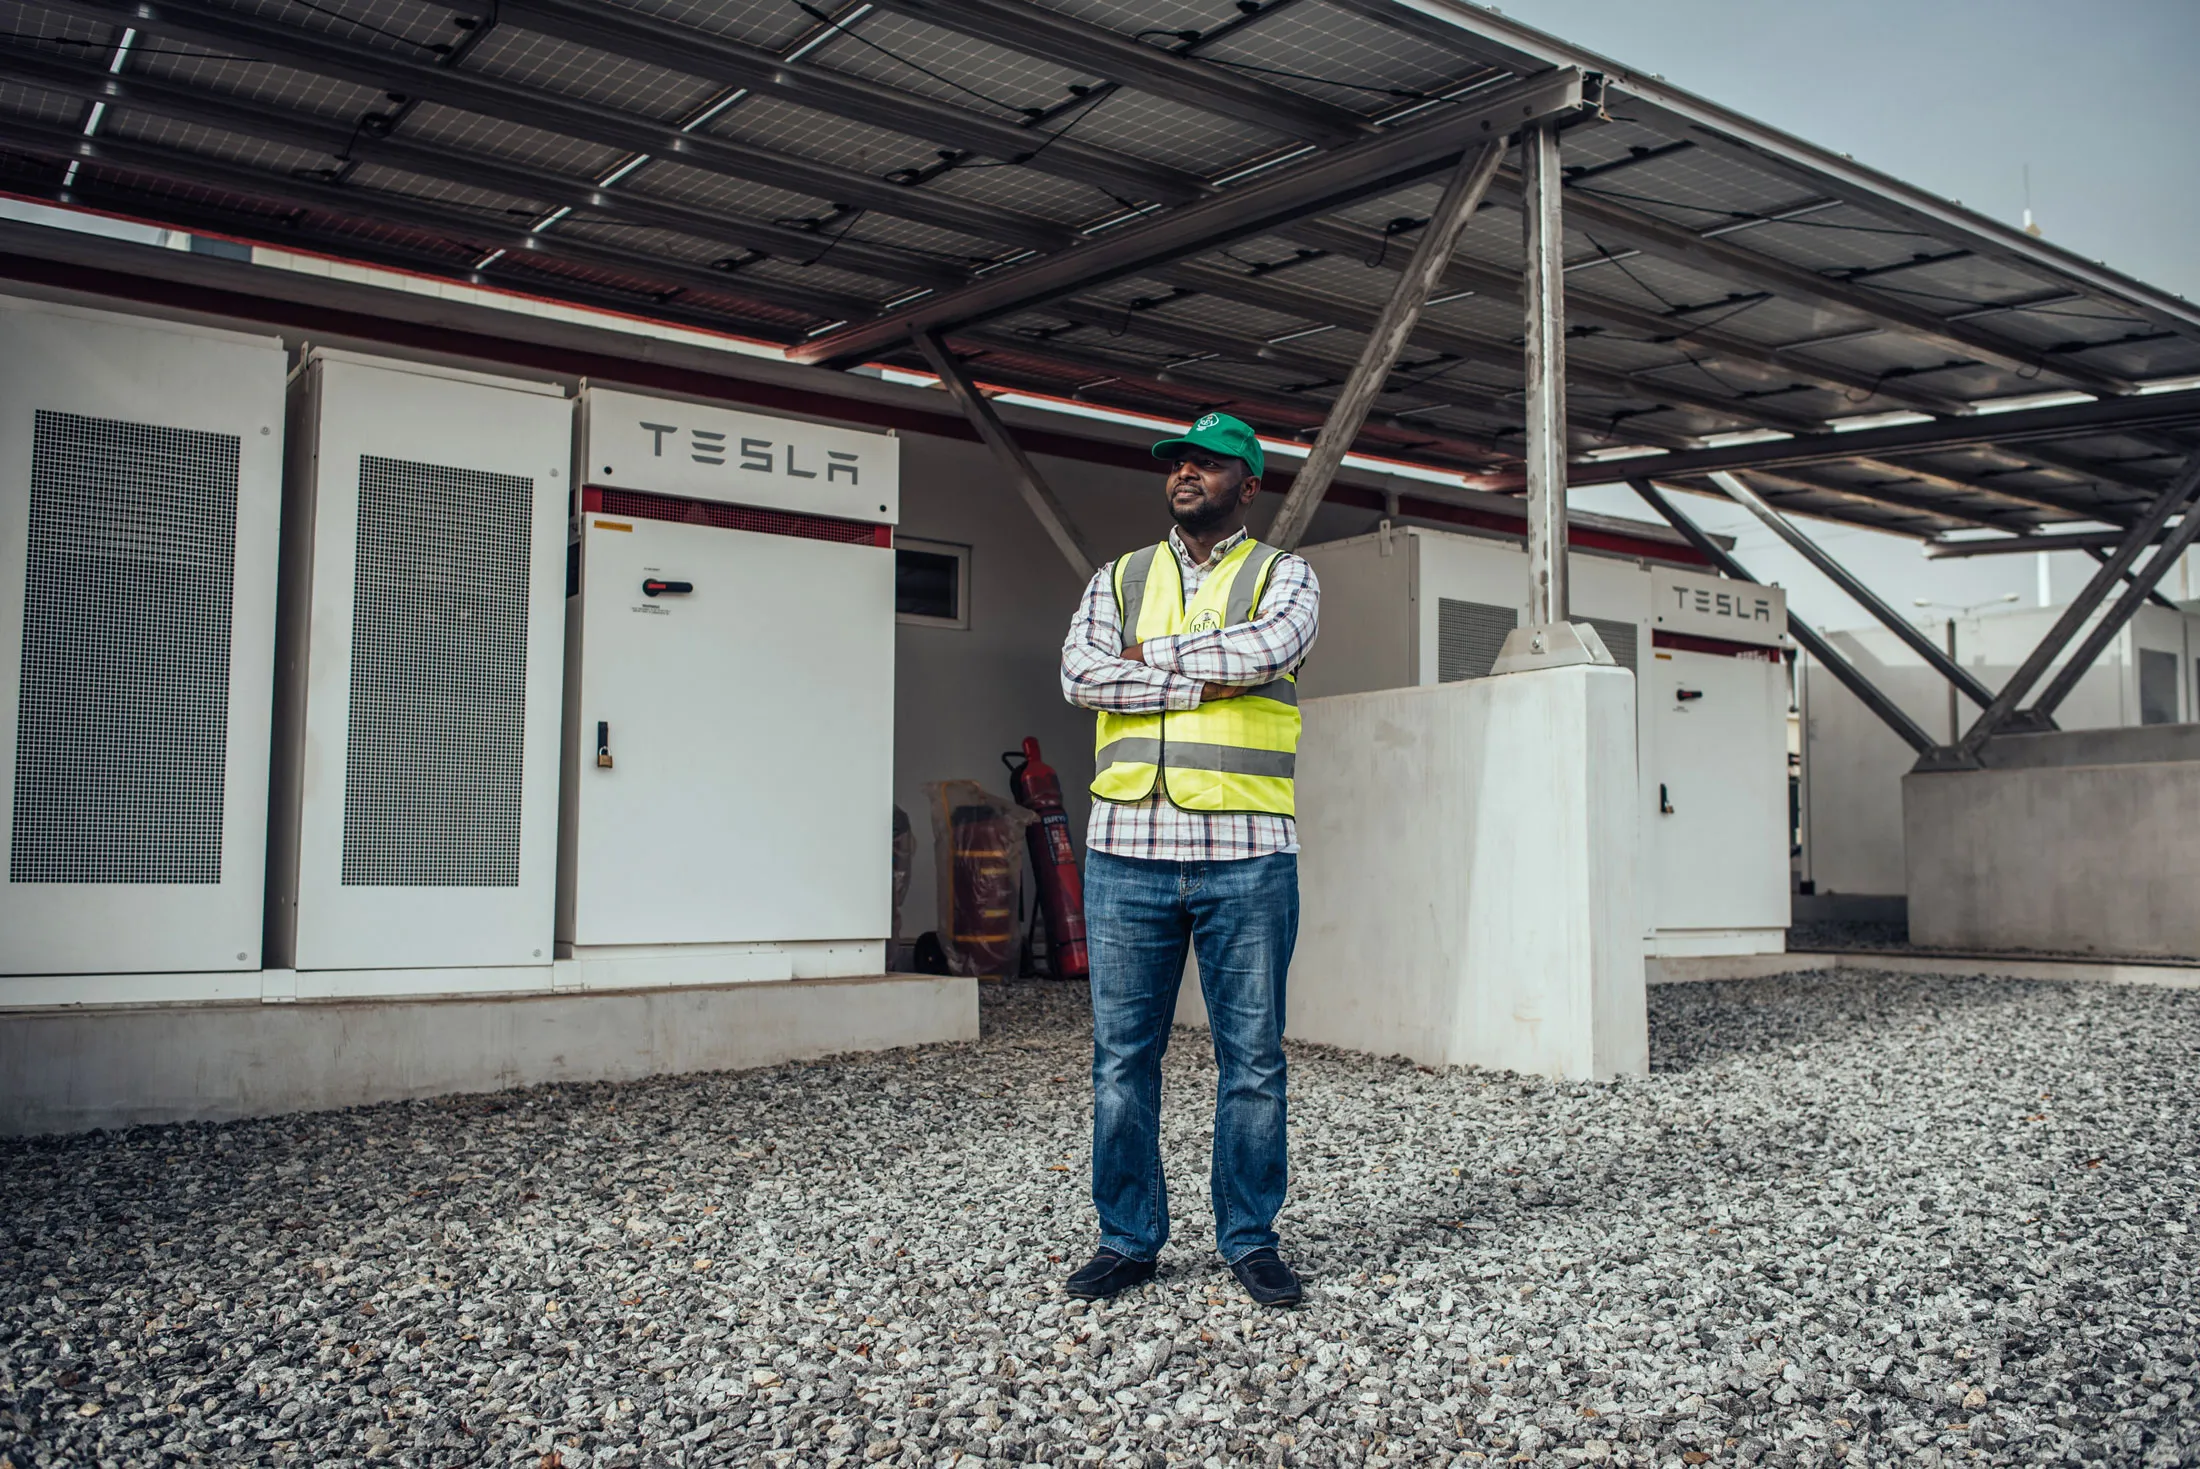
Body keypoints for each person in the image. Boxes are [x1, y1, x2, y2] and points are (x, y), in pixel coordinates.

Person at [1057, 412, 1319, 1308]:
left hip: (1247, 854)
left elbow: (1268, 651)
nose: (1186, 474)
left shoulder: (1285, 575)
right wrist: (1200, 670)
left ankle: (1249, 1237)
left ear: (1249, 484)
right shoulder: (1119, 576)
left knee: (1253, 1061)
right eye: (1178, 462)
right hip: (1126, 852)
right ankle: (1127, 1238)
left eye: (1209, 464)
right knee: (1121, 1062)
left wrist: (1147, 659)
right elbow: (1079, 675)